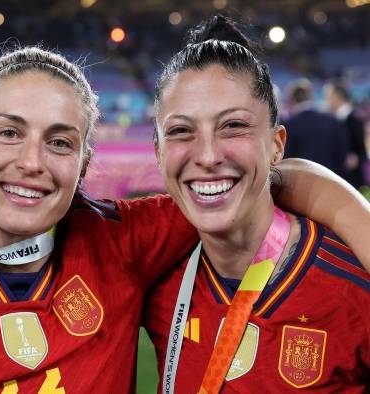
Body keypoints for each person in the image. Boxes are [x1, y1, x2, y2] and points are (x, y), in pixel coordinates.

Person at [0, 46, 369, 394]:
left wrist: (356, 219)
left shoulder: (121, 242)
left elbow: (247, 181)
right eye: (9, 133)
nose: (32, 163)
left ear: (82, 167)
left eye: (60, 143)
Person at [144, 16, 369, 393]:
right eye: (181, 131)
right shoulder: (149, 275)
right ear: (158, 152)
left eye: (233, 125)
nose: (208, 155)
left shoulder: (354, 286)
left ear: (277, 145)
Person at [283, 79, 350, 179]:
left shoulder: (288, 125)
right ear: (311, 96)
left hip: (301, 185)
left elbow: (286, 161)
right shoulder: (332, 122)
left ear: (292, 100)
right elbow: (343, 156)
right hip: (333, 182)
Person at [324, 80, 368, 189]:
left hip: (352, 181)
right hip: (339, 177)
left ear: (338, 96)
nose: (327, 100)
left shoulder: (354, 119)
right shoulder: (333, 119)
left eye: (329, 96)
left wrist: (356, 157)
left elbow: (361, 150)